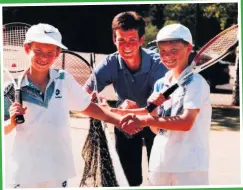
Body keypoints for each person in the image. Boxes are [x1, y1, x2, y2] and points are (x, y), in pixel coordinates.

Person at [3, 23, 135, 188]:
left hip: (58, 171)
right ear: (27, 48)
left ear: (58, 53)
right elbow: (3, 128)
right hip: (23, 173)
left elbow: (89, 107)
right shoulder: (10, 88)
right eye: (38, 51)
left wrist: (119, 121)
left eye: (50, 52)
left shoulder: (64, 79)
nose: (44, 57)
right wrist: (12, 121)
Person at [112, 23, 212, 186]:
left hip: (189, 167)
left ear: (189, 49)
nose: (168, 56)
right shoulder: (161, 82)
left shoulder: (196, 83)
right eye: (163, 51)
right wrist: (151, 112)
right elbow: (157, 129)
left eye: (174, 50)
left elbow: (186, 122)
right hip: (160, 164)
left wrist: (143, 120)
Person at [84, 11, 167, 186]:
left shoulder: (158, 64)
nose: (126, 46)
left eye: (132, 40)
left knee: (160, 178)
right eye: (121, 40)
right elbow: (85, 93)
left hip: (155, 120)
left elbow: (154, 109)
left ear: (141, 40)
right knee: (127, 180)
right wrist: (97, 99)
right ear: (114, 39)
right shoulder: (109, 63)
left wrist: (115, 110)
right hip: (124, 122)